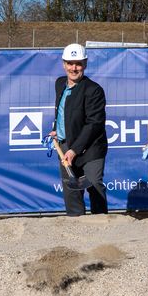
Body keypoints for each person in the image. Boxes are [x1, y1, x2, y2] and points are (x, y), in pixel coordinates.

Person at [50, 43, 109, 216]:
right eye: (70, 63)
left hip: (91, 148)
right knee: (71, 188)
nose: (74, 68)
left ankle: (101, 223)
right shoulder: (60, 83)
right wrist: (56, 129)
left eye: (78, 64)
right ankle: (76, 224)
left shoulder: (94, 90)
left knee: (94, 184)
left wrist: (75, 150)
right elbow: (62, 112)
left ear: (85, 64)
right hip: (65, 144)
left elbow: (94, 123)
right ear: (63, 64)